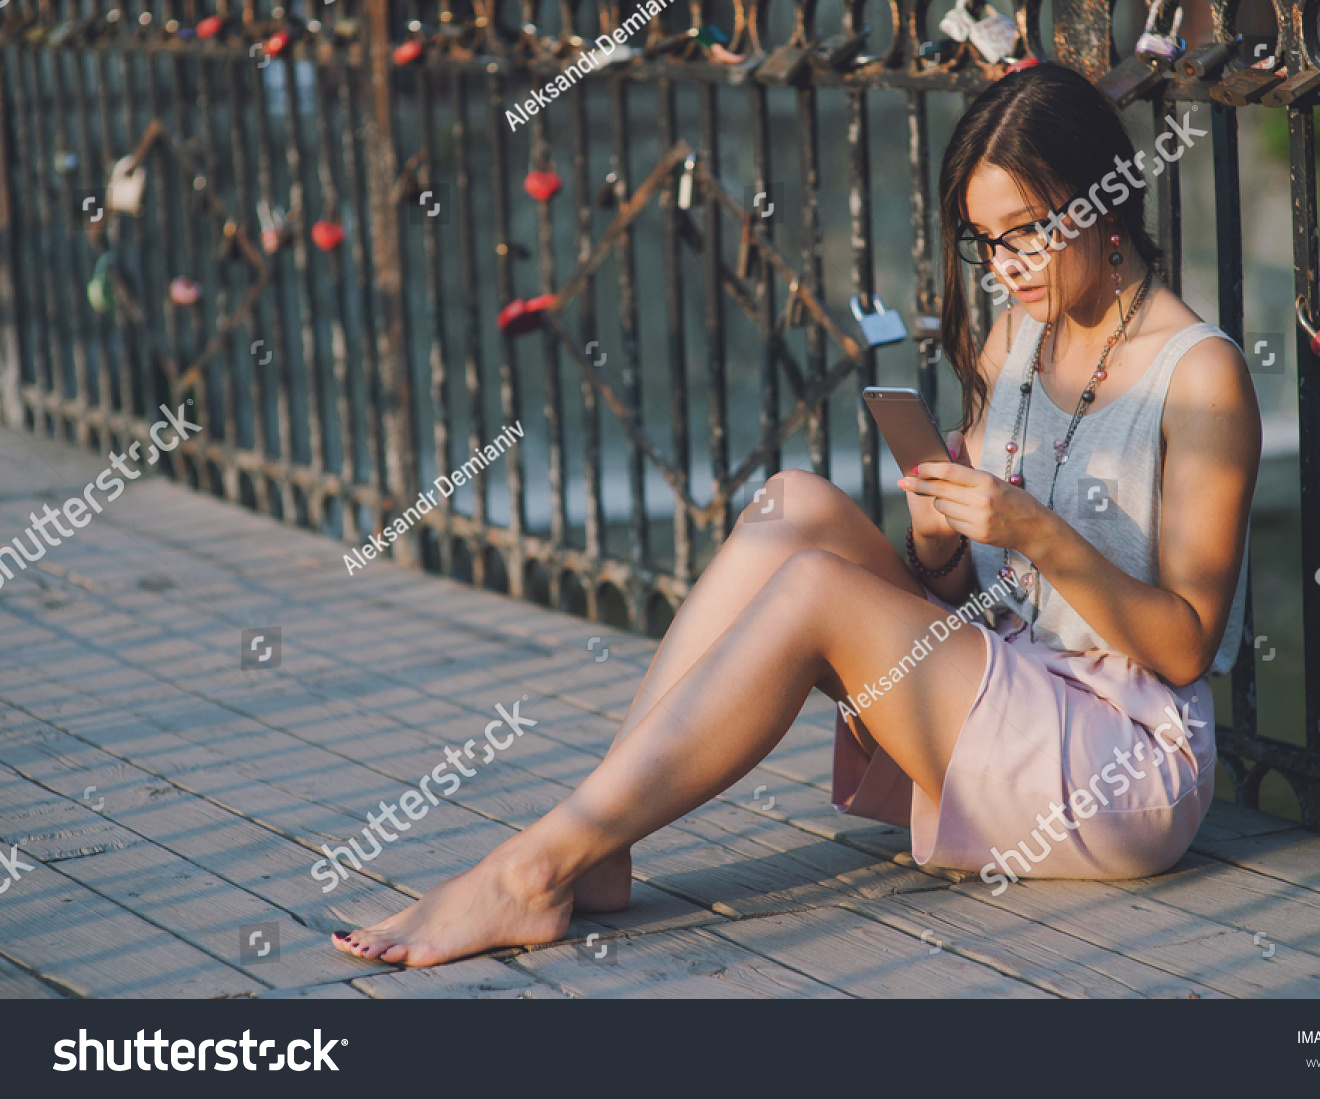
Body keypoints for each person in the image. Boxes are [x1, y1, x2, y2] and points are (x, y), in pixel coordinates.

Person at [331, 62, 1258, 968]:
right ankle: (599, 845)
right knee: (793, 504)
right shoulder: (1025, 325)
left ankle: (534, 868)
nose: (1006, 266)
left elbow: (1182, 648)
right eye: (985, 240)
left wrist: (1033, 532)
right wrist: (937, 545)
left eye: (1026, 231)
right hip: (1007, 675)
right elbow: (970, 587)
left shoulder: (1200, 375)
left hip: (1122, 751)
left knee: (816, 589)